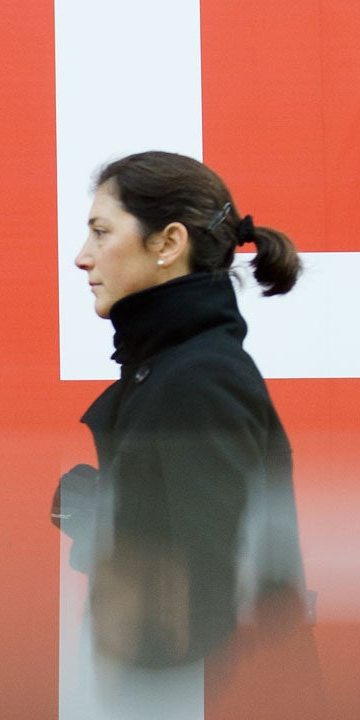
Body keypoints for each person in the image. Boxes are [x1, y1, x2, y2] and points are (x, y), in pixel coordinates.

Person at [55, 149, 308, 673]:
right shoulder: (175, 367)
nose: (83, 256)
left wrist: (100, 516)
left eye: (101, 232)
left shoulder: (200, 380)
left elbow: (221, 581)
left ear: (169, 243)